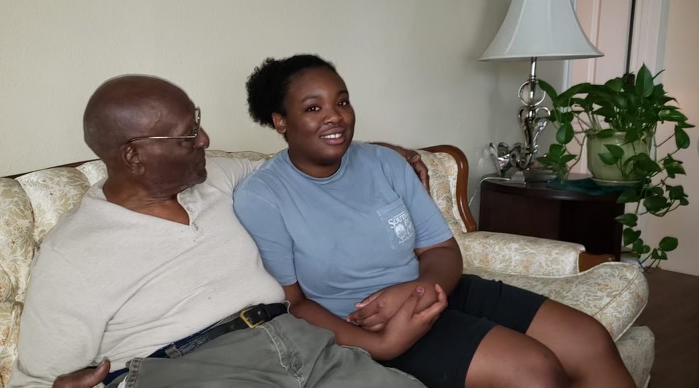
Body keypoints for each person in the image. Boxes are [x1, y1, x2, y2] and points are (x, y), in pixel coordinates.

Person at [8, 74, 440, 388]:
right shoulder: (73, 252)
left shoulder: (216, 176)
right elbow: (35, 380)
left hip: (303, 344)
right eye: (187, 135)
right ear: (134, 156)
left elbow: (298, 164)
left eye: (198, 123)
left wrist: (387, 153)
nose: (206, 140)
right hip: (193, 368)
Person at [233, 54, 637, 388]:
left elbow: (440, 249)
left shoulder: (384, 162)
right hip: (370, 324)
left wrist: (422, 287)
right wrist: (383, 345)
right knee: (535, 370)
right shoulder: (263, 196)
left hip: (436, 288)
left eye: (342, 101)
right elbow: (293, 304)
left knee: (589, 339)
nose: (335, 117)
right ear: (280, 121)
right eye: (313, 108)